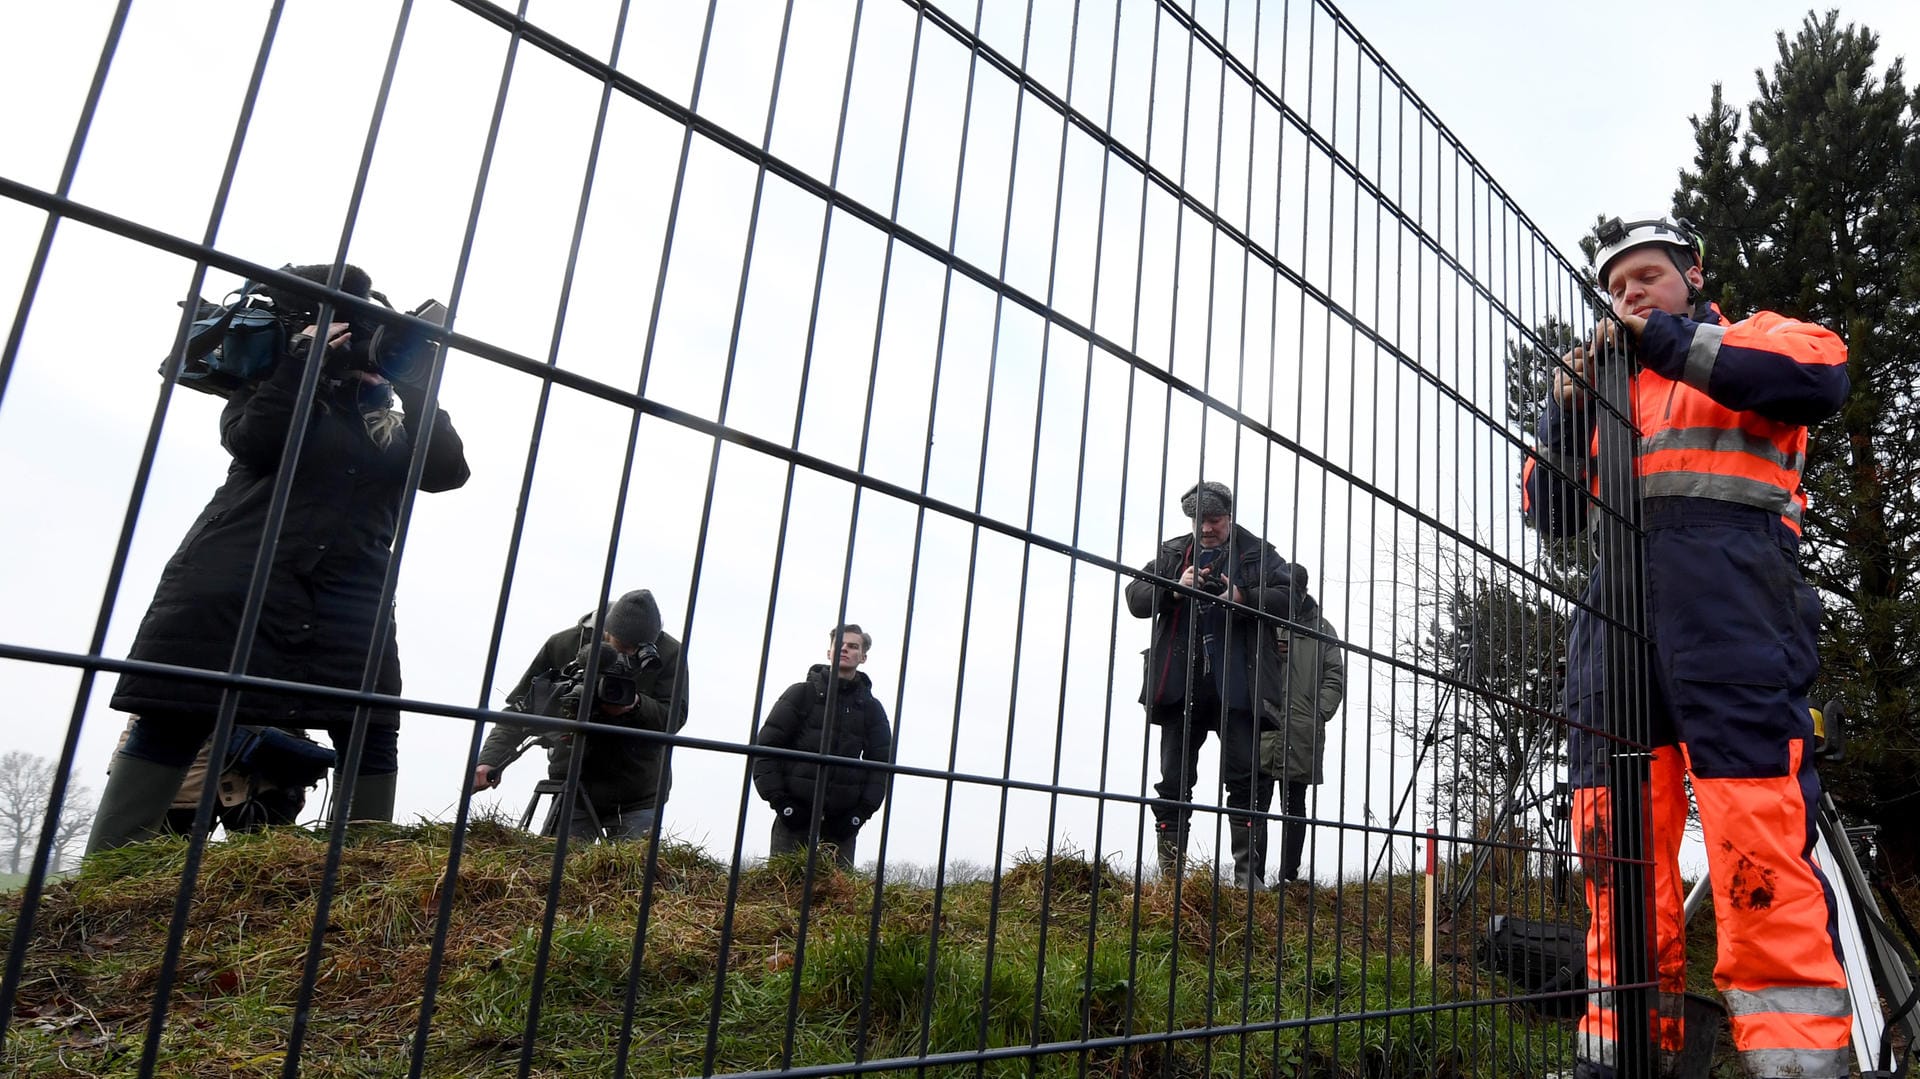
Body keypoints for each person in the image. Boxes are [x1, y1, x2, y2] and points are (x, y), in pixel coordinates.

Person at [1522, 216, 1851, 1079]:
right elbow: (1548, 514)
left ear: (1694, 275)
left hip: (1735, 613)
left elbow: (1821, 375)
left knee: (1755, 839)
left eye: (1647, 275)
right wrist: (1564, 409)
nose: (1628, 292)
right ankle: (1624, 1053)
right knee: (1614, 841)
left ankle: (1797, 1064)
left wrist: (1667, 344)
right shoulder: (1606, 396)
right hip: (1615, 632)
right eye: (1616, 284)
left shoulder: (1755, 339)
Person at [89, 264, 469, 854]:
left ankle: (362, 877)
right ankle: (100, 886)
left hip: (348, 602)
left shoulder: (387, 427)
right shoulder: (272, 388)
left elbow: (448, 471)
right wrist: (305, 361)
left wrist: (411, 377)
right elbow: (257, 440)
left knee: (370, 728)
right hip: (237, 584)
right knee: (177, 712)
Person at [1125, 481, 1312, 887]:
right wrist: (1175, 588)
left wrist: (1240, 595)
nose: (1206, 528)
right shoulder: (1174, 553)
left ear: (1229, 516)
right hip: (1180, 686)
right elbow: (1135, 597)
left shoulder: (1257, 553)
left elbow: (1292, 597)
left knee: (1245, 782)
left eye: (1213, 520)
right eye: (1199, 521)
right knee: (1173, 784)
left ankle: (1247, 882)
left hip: (1239, 689)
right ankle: (1171, 882)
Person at [473, 590, 689, 843]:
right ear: (608, 631)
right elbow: (523, 708)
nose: (630, 653)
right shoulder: (565, 645)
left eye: (638, 649)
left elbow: (674, 718)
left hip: (638, 790)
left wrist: (636, 705)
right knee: (559, 872)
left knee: (635, 878)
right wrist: (490, 759)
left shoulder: (669, 652)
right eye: (624, 645)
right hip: (574, 782)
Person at [752, 624, 893, 870]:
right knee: (782, 893)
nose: (844, 649)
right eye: (839, 644)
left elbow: (881, 766)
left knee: (837, 901)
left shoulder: (871, 708)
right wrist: (780, 801)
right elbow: (766, 749)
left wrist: (860, 814)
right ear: (829, 652)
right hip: (794, 814)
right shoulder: (800, 694)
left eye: (853, 646)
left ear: (864, 656)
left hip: (843, 821)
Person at [1256, 612, 1345, 887]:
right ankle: (1253, 876)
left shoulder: (1321, 628)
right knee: (1256, 803)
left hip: (1301, 728)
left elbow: (1334, 676)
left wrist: (1317, 712)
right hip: (1263, 722)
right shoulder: (1264, 618)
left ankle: (1288, 878)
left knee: (1294, 804)